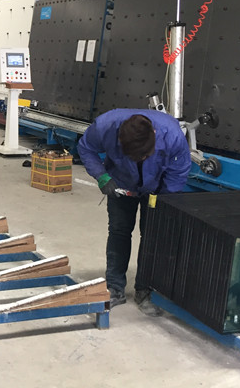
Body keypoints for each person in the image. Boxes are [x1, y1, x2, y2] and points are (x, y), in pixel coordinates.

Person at [77, 109, 191, 316]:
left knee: (152, 236)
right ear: (120, 140)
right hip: (120, 183)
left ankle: (145, 290)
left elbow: (179, 170)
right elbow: (86, 148)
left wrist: (165, 198)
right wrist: (101, 176)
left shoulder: (172, 136)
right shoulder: (105, 127)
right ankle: (115, 288)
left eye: (144, 155)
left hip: (157, 188)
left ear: (154, 138)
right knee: (119, 232)